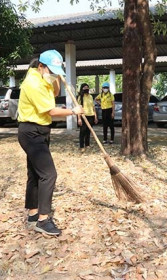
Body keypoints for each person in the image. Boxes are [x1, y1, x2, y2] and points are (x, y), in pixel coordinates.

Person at [18, 50, 83, 236]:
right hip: (31, 132)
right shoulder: (33, 84)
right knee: (49, 174)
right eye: (51, 70)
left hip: (40, 130)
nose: (52, 74)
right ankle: (43, 220)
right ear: (40, 66)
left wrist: (55, 78)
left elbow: (54, 93)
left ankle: (32, 214)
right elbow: (50, 111)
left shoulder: (41, 78)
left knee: (35, 173)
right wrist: (73, 111)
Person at [77, 83, 98, 152]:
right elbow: (78, 108)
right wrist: (79, 118)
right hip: (83, 116)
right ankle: (81, 146)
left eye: (87, 87)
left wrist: (95, 117)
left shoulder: (91, 97)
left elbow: (93, 107)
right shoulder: (80, 97)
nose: (86, 89)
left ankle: (87, 144)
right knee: (82, 131)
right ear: (82, 88)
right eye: (85, 87)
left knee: (88, 131)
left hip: (91, 115)